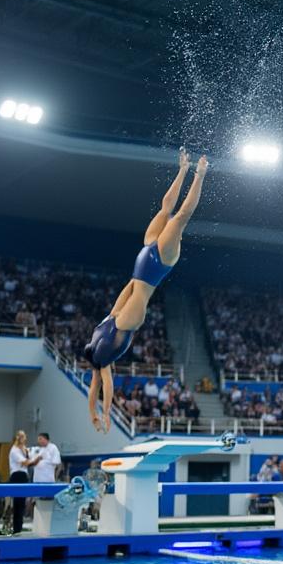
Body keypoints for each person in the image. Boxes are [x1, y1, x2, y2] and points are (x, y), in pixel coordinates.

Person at [79, 149, 209, 432]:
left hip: (141, 266)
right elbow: (105, 387)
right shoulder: (103, 361)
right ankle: (200, 175)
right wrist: (104, 414)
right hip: (155, 268)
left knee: (165, 210)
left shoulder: (99, 334)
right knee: (180, 218)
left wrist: (93, 412)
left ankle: (184, 169)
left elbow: (121, 298)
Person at [7, 430, 31, 533]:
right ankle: (16, 528)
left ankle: (19, 527)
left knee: (21, 504)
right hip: (17, 475)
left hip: (23, 475)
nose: (24, 439)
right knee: (18, 503)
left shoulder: (24, 449)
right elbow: (25, 462)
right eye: (22, 437)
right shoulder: (15, 450)